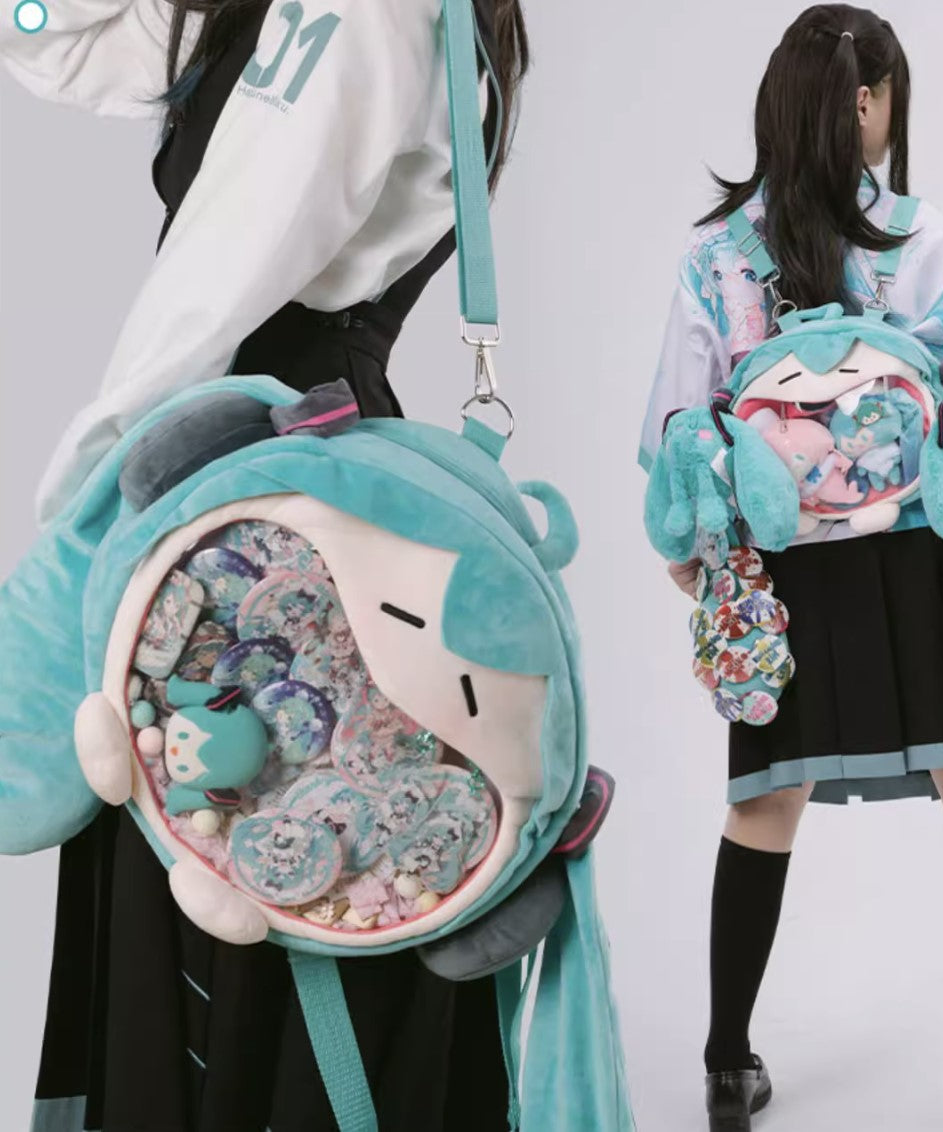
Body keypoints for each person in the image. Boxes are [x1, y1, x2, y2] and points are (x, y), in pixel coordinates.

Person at [1, 1, 529, 1129]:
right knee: (250, 842)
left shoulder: (358, 13)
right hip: (273, 472)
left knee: (262, 847)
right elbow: (50, 36)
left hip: (260, 490)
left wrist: (89, 503)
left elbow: (219, 278)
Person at [638, 6, 943, 1131]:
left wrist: (697, 558)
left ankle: (727, 1064)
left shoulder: (717, 258)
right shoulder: (917, 239)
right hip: (929, 549)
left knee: (766, 800)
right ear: (867, 101)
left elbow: (679, 425)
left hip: (788, 565)